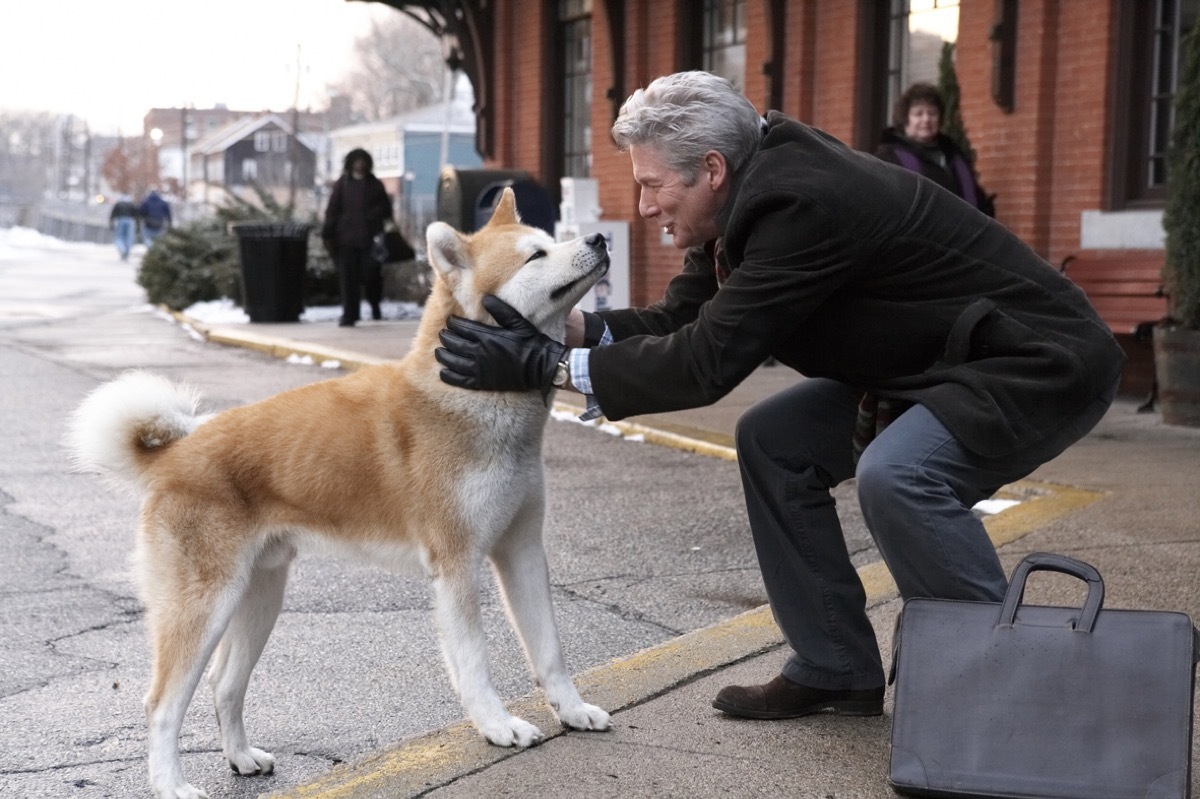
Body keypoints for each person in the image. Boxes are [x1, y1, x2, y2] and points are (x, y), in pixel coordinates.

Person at [435, 71, 1124, 723]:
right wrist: (564, 327)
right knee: (773, 440)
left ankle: (1022, 686)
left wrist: (545, 365)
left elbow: (706, 362)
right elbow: (683, 321)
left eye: (652, 186)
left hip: (1034, 361)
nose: (644, 208)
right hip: (935, 364)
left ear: (711, 169)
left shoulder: (801, 203)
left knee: (900, 474)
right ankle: (834, 665)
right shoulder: (741, 194)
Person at [876, 82, 994, 216]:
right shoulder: (889, 158)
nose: (926, 119)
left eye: (932, 113)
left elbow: (975, 197)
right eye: (918, 114)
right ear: (905, 119)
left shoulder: (954, 155)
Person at [321, 148, 394, 327]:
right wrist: (327, 233)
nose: (360, 164)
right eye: (356, 161)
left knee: (371, 276)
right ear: (350, 163)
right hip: (345, 241)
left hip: (370, 241)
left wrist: (375, 215)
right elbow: (332, 211)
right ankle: (349, 315)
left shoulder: (375, 184)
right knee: (348, 280)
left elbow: (387, 210)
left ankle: (375, 305)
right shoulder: (341, 185)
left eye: (363, 161)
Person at [109, 194, 139, 260]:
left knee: (119, 236)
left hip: (121, 220)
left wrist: (111, 224)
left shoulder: (119, 204)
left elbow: (113, 214)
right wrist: (137, 226)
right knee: (128, 237)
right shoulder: (131, 204)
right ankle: (127, 252)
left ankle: (122, 248)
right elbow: (136, 215)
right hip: (130, 221)